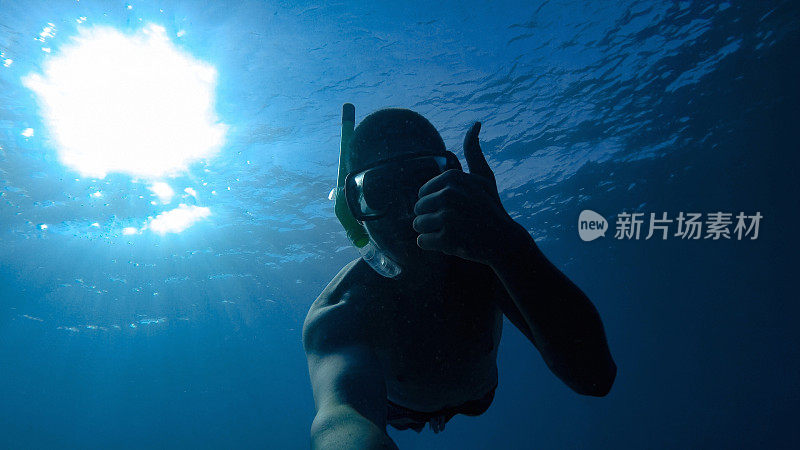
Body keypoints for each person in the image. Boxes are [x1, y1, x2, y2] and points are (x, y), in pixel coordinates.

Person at [302, 105, 616, 449]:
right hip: (401, 409)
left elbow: (596, 377)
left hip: (478, 397)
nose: (409, 210)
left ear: (453, 181)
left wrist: (508, 243)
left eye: (423, 182)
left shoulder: (490, 260)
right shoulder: (342, 311)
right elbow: (341, 422)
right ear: (353, 210)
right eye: (382, 190)